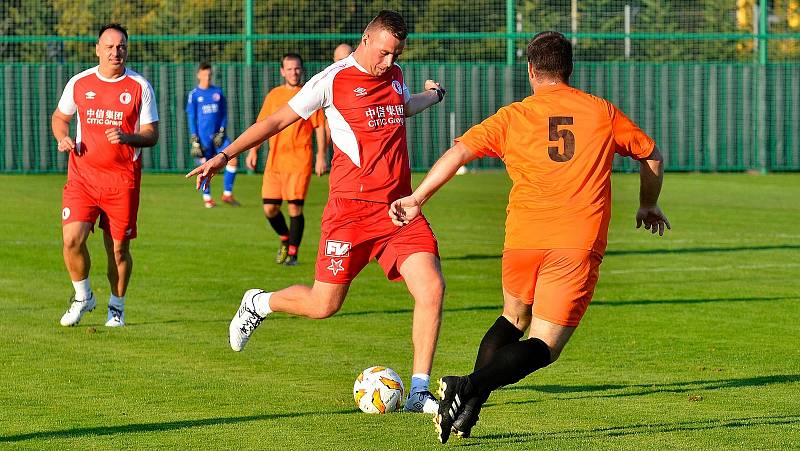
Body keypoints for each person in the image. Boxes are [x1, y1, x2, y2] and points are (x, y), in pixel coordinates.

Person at [388, 31, 671, 443]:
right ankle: (464, 387)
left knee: (513, 318)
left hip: (522, 240)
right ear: (569, 70)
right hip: (575, 242)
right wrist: (647, 203)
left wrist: (416, 198)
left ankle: (466, 413)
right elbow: (651, 153)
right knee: (545, 347)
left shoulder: (513, 115)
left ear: (531, 71)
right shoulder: (601, 112)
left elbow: (458, 153)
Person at [187, 10, 448, 414]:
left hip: (399, 209)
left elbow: (401, 107)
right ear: (366, 40)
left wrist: (433, 96)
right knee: (323, 305)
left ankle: (418, 391)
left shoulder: (395, 75)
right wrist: (224, 155)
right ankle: (259, 303)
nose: (388, 62)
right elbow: (276, 120)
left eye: (395, 54)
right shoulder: (332, 80)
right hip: (350, 213)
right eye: (383, 53)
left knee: (431, 287)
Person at [52, 23, 159, 328]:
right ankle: (83, 297)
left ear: (127, 49)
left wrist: (128, 137)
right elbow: (60, 117)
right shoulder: (80, 82)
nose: (116, 52)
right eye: (109, 47)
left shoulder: (139, 87)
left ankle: (116, 306)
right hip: (82, 178)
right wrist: (62, 136)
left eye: (121, 46)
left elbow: (152, 134)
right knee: (72, 239)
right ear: (97, 49)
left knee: (118, 249)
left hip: (121, 182)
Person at [246, 53, 326, 267]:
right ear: (282, 71)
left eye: (297, 68)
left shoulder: (309, 94)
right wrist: (253, 151)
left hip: (300, 160)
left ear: (302, 69)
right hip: (275, 162)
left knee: (294, 209)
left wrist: (321, 156)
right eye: (289, 69)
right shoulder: (274, 95)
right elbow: (262, 124)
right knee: (270, 209)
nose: (294, 72)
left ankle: (293, 254)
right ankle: (284, 238)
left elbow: (320, 127)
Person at [186, 62, 240, 208]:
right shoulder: (194, 95)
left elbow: (224, 113)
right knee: (205, 166)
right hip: (203, 137)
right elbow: (192, 117)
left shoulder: (218, 92)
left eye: (209, 74)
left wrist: (222, 130)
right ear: (198, 75)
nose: (207, 77)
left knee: (233, 159)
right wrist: (194, 138)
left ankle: (227, 194)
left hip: (219, 136)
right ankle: (207, 197)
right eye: (204, 74)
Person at [325, 43, 354, 162]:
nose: (345, 63)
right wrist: (322, 153)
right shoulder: (327, 84)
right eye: (340, 60)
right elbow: (326, 124)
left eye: (348, 58)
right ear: (334, 61)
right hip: (345, 157)